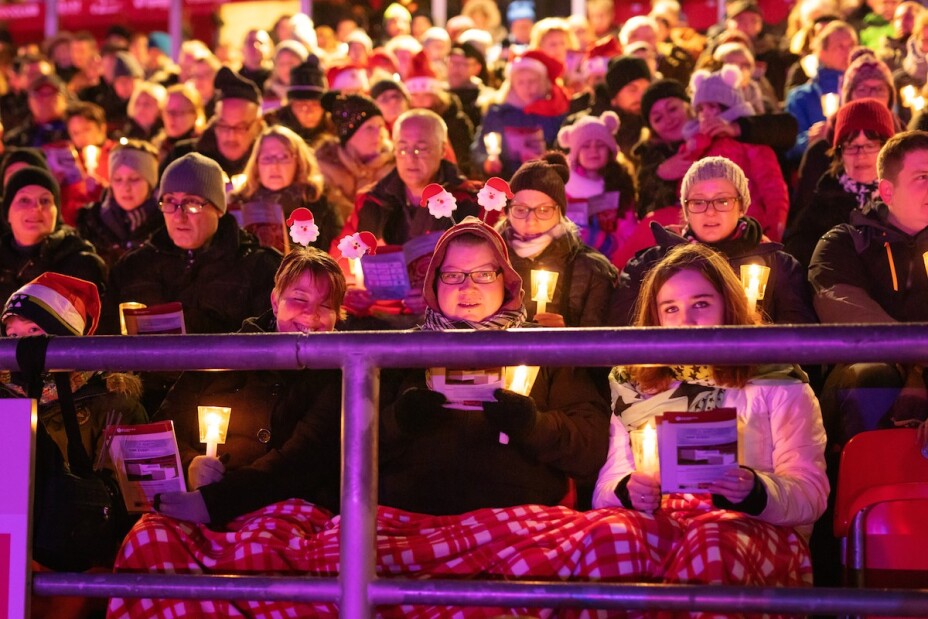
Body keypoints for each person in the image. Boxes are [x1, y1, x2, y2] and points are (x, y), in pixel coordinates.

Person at [595, 243, 828, 587]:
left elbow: (811, 495)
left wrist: (756, 490)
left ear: (729, 306)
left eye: (701, 304)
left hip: (752, 530)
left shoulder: (775, 379)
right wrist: (628, 490)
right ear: (655, 318)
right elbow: (605, 491)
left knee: (711, 547)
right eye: (670, 309)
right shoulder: (636, 386)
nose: (686, 320)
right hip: (660, 527)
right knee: (605, 542)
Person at [379, 216, 610, 514]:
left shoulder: (543, 347)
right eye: (453, 275)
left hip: (523, 526)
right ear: (434, 281)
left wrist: (533, 425)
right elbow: (348, 449)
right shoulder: (402, 350)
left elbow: (590, 448)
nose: (468, 287)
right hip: (411, 522)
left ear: (507, 280)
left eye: (484, 274)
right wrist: (399, 420)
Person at [148, 247, 344, 526]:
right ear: (276, 301)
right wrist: (191, 462)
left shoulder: (337, 372)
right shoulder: (223, 355)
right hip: (195, 498)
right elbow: (166, 426)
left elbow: (302, 459)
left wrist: (216, 502)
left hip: (284, 506)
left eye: (325, 306)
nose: (311, 317)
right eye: (299, 299)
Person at [809, 130, 928, 446]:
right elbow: (846, 312)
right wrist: (912, 368)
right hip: (869, 372)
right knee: (873, 377)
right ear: (887, 191)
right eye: (923, 177)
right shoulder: (845, 242)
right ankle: (871, 491)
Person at [611, 157, 817, 326]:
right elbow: (622, 336)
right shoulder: (650, 266)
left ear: (742, 206)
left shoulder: (779, 266)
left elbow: (800, 340)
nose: (710, 211)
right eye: (698, 202)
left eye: (722, 201)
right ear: (685, 210)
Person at [107, 152, 281, 335]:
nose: (178, 216)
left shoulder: (258, 267)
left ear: (218, 209)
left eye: (191, 203)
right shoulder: (132, 268)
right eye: (170, 202)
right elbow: (105, 341)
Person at [1, 272, 147, 469]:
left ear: (65, 335)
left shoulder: (113, 404)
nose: (23, 343)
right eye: (13, 335)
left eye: (34, 330)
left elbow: (121, 485)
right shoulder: (6, 397)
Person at [495, 152, 617, 327]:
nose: (531, 220)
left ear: (560, 212)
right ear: (507, 211)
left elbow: (603, 345)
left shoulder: (594, 270)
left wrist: (566, 335)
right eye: (521, 209)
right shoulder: (490, 261)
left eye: (544, 210)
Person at [679, 66, 790, 241]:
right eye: (700, 109)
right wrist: (700, 144)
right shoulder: (693, 145)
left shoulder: (751, 144)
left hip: (747, 230)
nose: (705, 114)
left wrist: (773, 228)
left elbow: (773, 188)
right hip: (704, 230)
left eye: (712, 107)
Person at [785, 99, 897, 268]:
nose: (860, 155)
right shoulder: (823, 201)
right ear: (839, 153)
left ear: (886, 150)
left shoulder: (905, 197)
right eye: (851, 146)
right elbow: (798, 256)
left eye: (870, 145)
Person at [0, 165, 106, 304]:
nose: (35, 208)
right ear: (8, 213)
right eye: (24, 200)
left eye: (45, 201)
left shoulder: (82, 266)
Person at [227, 125, 339, 253]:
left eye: (283, 157)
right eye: (267, 158)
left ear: (299, 162)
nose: (275, 166)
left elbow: (333, 254)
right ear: (256, 164)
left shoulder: (319, 202)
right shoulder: (238, 202)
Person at [472, 50, 570, 179]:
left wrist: (544, 160)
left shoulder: (555, 113)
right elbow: (479, 147)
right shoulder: (499, 113)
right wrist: (486, 162)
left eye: (532, 81)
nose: (527, 87)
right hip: (506, 180)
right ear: (512, 85)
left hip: (544, 180)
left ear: (543, 82)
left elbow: (564, 151)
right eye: (521, 82)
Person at [557, 111, 638, 263]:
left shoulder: (620, 182)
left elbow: (628, 228)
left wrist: (613, 247)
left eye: (600, 145)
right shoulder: (563, 184)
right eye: (586, 146)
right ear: (575, 152)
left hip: (612, 259)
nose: (593, 151)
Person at [75, 139, 164, 269]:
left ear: (151, 183)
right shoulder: (90, 222)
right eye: (117, 179)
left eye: (134, 179)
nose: (125, 187)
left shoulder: (164, 224)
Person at [162, 68, 264, 177]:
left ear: (257, 126)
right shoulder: (183, 158)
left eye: (240, 127)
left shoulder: (272, 164)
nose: (231, 135)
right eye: (224, 125)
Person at [315, 92, 394, 224]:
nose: (378, 134)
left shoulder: (393, 167)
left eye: (380, 126)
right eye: (369, 128)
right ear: (349, 136)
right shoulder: (324, 172)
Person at [785, 21, 858, 163]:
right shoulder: (801, 97)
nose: (849, 52)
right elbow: (790, 148)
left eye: (852, 45)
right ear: (822, 53)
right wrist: (810, 139)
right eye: (840, 47)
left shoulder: (867, 89)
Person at [263, 56, 334, 147]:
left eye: (315, 104)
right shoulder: (270, 127)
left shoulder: (336, 128)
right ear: (290, 105)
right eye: (301, 105)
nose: (309, 112)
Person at [151, 83, 204, 165]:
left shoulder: (203, 148)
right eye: (168, 111)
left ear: (195, 115)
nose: (171, 117)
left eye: (179, 112)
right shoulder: (157, 146)